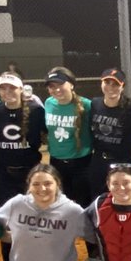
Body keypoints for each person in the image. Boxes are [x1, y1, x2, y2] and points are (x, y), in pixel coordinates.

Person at [0, 72, 45, 210]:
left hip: (30, 171)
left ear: (21, 89)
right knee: (4, 213)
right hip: (4, 173)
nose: (7, 92)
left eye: (12, 88)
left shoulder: (36, 110)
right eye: (3, 88)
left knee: (34, 212)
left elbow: (47, 135)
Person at [87, 67, 131, 198]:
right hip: (99, 161)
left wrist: (129, 143)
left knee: (125, 197)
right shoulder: (95, 104)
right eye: (107, 83)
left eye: (115, 84)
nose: (110, 87)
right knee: (97, 199)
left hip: (123, 161)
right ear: (101, 84)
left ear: (123, 86)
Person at [43, 66, 93, 207]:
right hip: (56, 162)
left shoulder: (86, 105)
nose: (56, 89)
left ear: (71, 84)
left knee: (83, 204)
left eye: (61, 84)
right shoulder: (48, 103)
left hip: (82, 163)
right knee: (60, 204)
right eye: (52, 86)